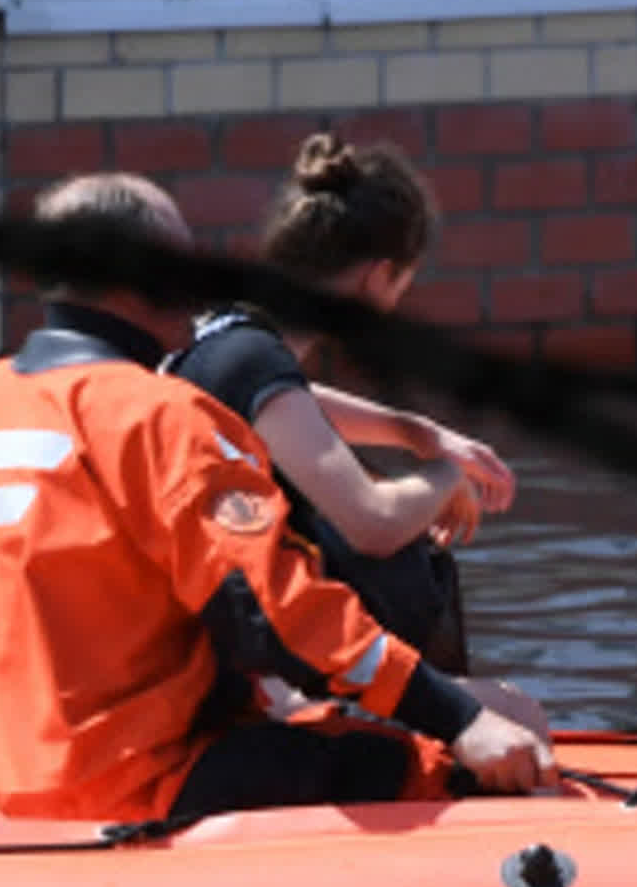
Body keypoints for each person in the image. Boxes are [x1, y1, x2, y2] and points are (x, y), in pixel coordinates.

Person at [0, 172, 546, 822]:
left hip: (21, 779)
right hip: (156, 778)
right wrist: (460, 721)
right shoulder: (163, 419)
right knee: (430, 767)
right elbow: (281, 612)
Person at [167, 132, 518, 681]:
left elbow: (283, 402)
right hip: (214, 666)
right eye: (403, 282)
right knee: (517, 716)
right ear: (380, 275)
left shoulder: (220, 333)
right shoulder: (253, 360)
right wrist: (445, 476)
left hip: (180, 632)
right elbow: (372, 524)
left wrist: (418, 433)